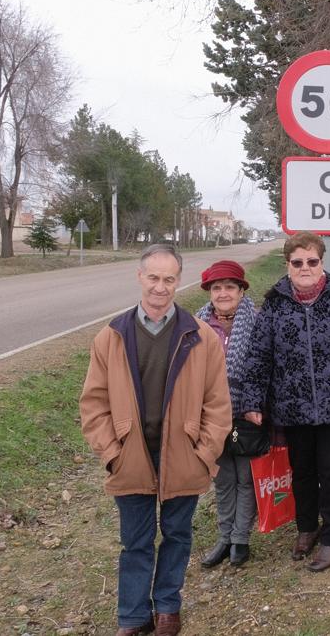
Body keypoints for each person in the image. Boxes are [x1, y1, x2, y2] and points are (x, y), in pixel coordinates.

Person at [78, 244, 232, 636]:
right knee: (135, 542)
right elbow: (93, 404)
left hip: (183, 456)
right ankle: (132, 616)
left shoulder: (201, 338)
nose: (160, 287)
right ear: (139, 277)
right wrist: (112, 453)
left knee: (178, 536)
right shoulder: (110, 337)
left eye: (169, 279)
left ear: (179, 281)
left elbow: (217, 403)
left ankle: (167, 608)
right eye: (153, 278)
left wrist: (204, 454)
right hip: (131, 456)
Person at [230, 232, 330, 572]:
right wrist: (252, 399)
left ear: (321, 262)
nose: (305, 267)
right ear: (288, 265)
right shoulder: (275, 304)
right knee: (302, 473)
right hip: (292, 407)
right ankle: (307, 527)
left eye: (312, 261)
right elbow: (258, 356)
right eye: (298, 262)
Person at [195, 260, 262, 569]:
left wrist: (253, 406)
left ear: (240, 290)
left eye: (229, 287)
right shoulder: (196, 326)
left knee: (246, 478)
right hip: (210, 414)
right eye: (217, 288)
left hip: (248, 412)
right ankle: (224, 537)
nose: (223, 293)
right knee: (222, 478)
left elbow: (263, 369)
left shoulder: (257, 321)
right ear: (210, 292)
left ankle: (241, 539)